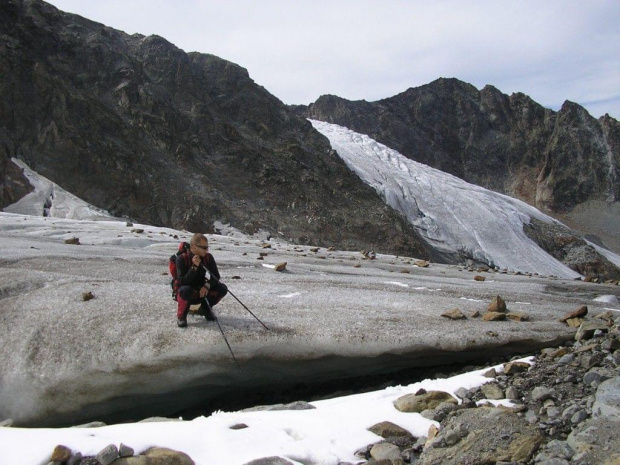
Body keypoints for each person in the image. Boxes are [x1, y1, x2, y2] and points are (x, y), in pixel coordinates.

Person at [176, 233, 228, 328]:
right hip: (186, 293)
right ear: (194, 247)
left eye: (207, 247)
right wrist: (194, 267)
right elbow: (182, 281)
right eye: (204, 248)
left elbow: (215, 276)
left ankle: (205, 309)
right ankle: (181, 316)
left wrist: (206, 286)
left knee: (222, 288)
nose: (207, 250)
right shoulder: (181, 259)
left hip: (202, 291)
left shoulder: (208, 257)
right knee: (185, 290)